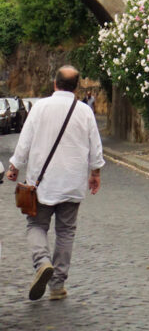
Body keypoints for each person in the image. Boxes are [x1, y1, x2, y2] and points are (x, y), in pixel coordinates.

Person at [6, 65, 104, 301]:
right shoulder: (84, 112)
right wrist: (95, 173)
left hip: (42, 183)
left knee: (36, 226)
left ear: (54, 84)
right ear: (77, 87)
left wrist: (14, 166)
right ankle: (57, 285)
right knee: (66, 232)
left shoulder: (40, 107)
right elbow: (95, 147)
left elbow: (25, 140)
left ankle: (42, 262)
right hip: (72, 183)